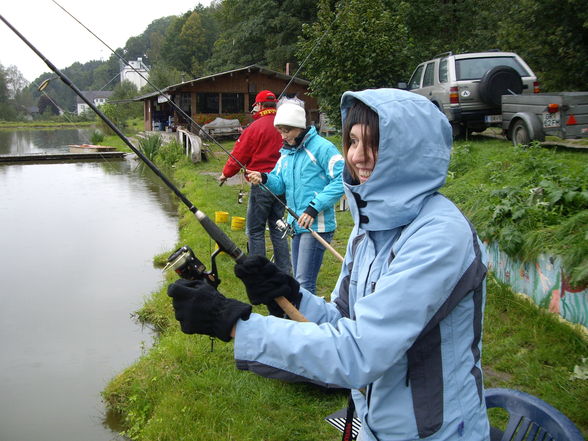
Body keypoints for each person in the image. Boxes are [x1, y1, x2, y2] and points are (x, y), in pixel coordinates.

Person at [168, 88, 490, 441]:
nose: (359, 156)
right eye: (352, 141)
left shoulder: (440, 237)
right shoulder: (370, 227)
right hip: (373, 423)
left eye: (376, 144)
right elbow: (343, 318)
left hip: (437, 433)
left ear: (412, 153)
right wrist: (291, 294)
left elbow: (359, 350)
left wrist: (232, 323)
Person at [247, 99, 345, 294]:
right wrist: (265, 178)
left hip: (317, 224)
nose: (283, 137)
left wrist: (314, 207)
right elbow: (279, 184)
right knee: (297, 281)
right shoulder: (287, 154)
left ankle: (305, 321)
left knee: (304, 283)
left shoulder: (322, 148)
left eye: (287, 131)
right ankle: (300, 319)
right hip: (296, 224)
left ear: (299, 128)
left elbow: (342, 178)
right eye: (280, 132)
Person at [218, 90, 291, 274]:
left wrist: (226, 174)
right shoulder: (285, 126)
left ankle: (260, 273)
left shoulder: (255, 127)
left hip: (261, 182)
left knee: (255, 230)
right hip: (282, 184)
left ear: (259, 106)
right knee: (278, 227)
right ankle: (284, 271)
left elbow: (239, 155)